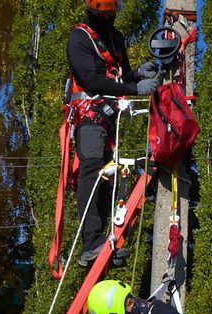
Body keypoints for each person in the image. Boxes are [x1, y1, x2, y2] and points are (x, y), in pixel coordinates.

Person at [68, 0, 160, 267]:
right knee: (93, 171)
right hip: (89, 117)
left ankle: (106, 240)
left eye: (110, 15)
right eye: (103, 15)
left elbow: (119, 79)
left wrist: (136, 74)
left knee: (110, 177)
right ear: (93, 12)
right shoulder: (80, 38)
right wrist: (135, 89)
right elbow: (92, 80)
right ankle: (91, 242)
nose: (108, 19)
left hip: (109, 121)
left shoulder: (115, 38)